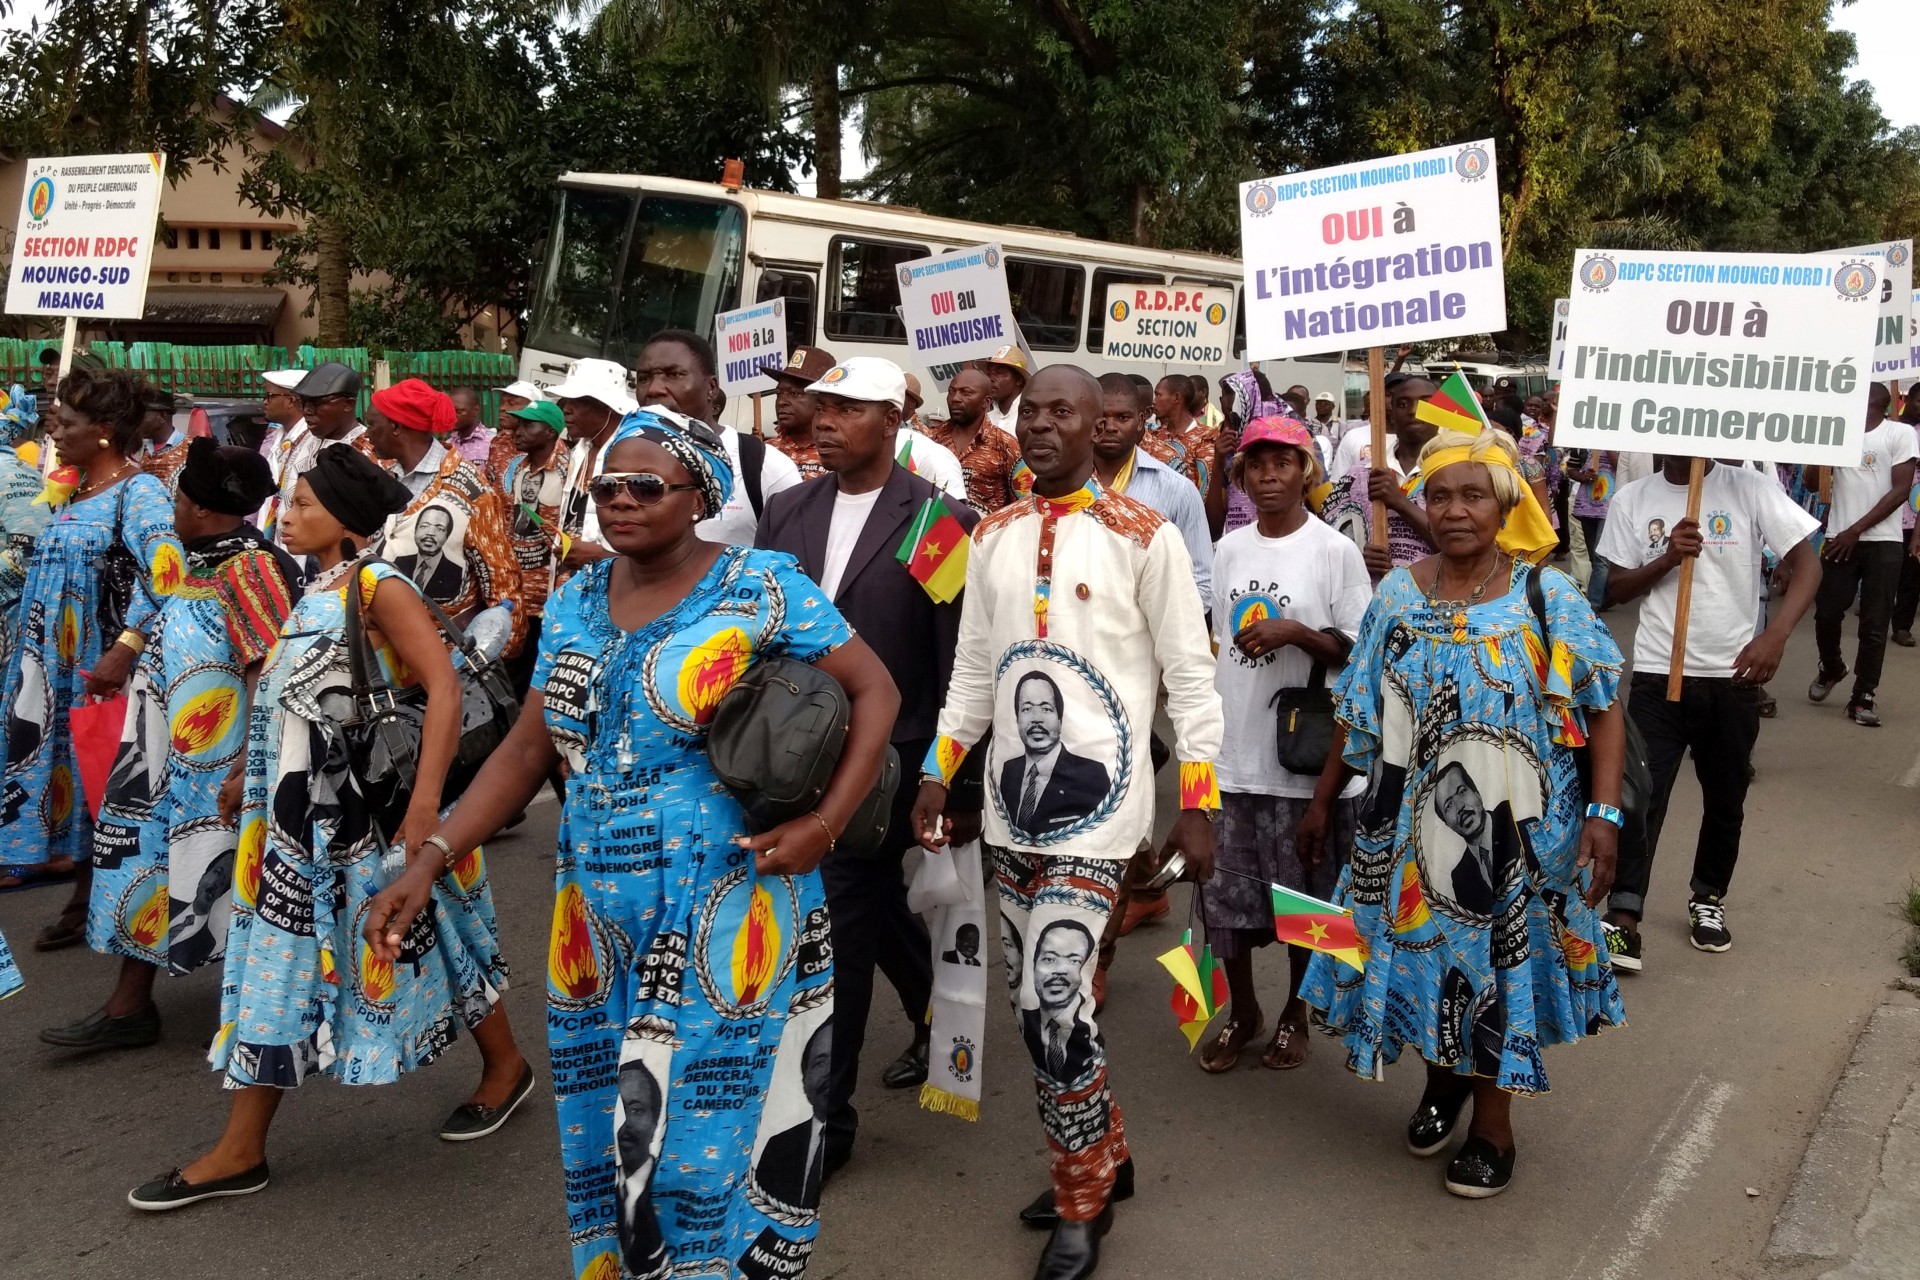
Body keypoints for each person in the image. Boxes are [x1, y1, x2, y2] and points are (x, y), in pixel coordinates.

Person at [360, 410, 899, 1280]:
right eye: (608, 486)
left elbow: (874, 690)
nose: (620, 500)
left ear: (699, 497)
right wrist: (431, 856)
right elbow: (529, 748)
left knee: (701, 1137)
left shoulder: (759, 584)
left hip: (724, 897)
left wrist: (825, 824)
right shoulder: (574, 598)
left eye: (646, 486)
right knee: (609, 1126)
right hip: (596, 917)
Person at [127, 444, 532, 1210]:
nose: (287, 514)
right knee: (440, 933)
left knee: (302, 955)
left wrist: (424, 808)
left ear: (347, 523)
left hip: (363, 814)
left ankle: (243, 1147)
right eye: (290, 501)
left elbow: (443, 689)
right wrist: (250, 774)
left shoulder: (380, 585)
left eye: (306, 505)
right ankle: (504, 1067)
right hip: (297, 818)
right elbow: (293, 693)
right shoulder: (321, 585)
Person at [912, 364, 1224, 1280]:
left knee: (1048, 1007)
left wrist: (1199, 803)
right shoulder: (995, 532)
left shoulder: (1146, 535)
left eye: (1062, 412)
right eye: (1032, 411)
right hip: (1010, 814)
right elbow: (973, 670)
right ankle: (1107, 1155)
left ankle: (1082, 1198)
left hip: (1103, 820)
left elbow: (1192, 678)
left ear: (1102, 427)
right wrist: (940, 770)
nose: (1041, 426)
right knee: (1059, 999)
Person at [1298, 426, 1627, 1199]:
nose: (1453, 510)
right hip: (1404, 825)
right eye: (1439, 494)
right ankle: (1442, 1083)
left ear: (1504, 503)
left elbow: (1604, 703)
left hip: (1517, 837)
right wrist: (1322, 803)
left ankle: (1493, 1127)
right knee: (1418, 956)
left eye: (1472, 494)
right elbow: (1359, 708)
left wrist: (1604, 815)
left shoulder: (1547, 595)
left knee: (1497, 967)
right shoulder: (1397, 594)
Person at [756, 354, 981, 1165]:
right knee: (865, 908)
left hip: (890, 759)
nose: (826, 421)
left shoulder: (937, 520)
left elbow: (961, 653)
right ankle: (934, 1006)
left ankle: (826, 1124)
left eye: (849, 410)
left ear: (894, 421)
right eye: (823, 407)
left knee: (843, 931)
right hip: (789, 756)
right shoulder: (787, 510)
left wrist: (950, 778)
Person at [41, 440, 296, 1052]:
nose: (172, 507)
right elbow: (154, 615)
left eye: (179, 498)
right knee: (145, 868)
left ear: (203, 510)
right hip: (159, 755)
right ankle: (130, 1009)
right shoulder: (193, 557)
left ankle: (273, 1013)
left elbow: (267, 668)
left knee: (237, 878)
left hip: (216, 766)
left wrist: (245, 765)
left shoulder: (251, 568)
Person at [1598, 454, 1820, 965]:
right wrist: (1666, 557)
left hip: (1732, 676)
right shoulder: (1633, 498)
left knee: (1725, 798)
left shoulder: (1750, 488)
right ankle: (1625, 915)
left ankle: (1708, 898)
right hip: (1659, 673)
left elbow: (1809, 564)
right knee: (1641, 796)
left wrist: (1776, 637)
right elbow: (1612, 589)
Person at [1198, 418, 1369, 1073]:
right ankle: (1244, 1013)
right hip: (1232, 753)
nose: (1269, 477)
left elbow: (1359, 653)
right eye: (1256, 466)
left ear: (1305, 471)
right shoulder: (1231, 548)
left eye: (1282, 465)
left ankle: (1297, 1014)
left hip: (1303, 760)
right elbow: (1219, 644)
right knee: (1227, 902)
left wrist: (1298, 632)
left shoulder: (1334, 551)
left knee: (1305, 903)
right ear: (1241, 476)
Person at [0, 369, 182, 925]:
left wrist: (125, 647)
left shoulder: (139, 490)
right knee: (71, 775)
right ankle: (83, 899)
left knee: (99, 777)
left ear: (104, 431)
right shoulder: (74, 487)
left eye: (71, 424)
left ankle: (112, 910)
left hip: (98, 665)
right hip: (47, 665)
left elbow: (169, 576)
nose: (57, 432)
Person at [363, 378, 523, 652]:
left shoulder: (470, 491)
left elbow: (501, 580)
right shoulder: (384, 476)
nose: (367, 434)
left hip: (443, 657)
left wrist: (493, 655)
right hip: (382, 651)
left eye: (372, 424)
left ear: (397, 427)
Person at [632, 329, 802, 546]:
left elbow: (795, 561)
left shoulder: (764, 465)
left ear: (711, 388)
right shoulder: (621, 461)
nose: (654, 389)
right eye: (644, 378)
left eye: (674, 375)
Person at [1810, 384, 1916, 726]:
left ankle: (1863, 695)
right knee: (1826, 613)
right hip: (1839, 537)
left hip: (1882, 541)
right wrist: (1817, 457)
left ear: (1878, 407)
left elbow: (1901, 489)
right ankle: (1832, 666)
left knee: (1874, 623)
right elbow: (1814, 484)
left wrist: (1856, 530)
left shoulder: (1897, 434)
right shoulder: (1837, 433)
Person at [1091, 372, 1212, 607]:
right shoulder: (1059, 484)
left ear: (1141, 420)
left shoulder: (1177, 489)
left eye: (1123, 417)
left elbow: (1202, 583)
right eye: (1102, 417)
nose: (1111, 427)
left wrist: (1151, 623)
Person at [1319, 374, 1441, 576]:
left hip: (1439, 600)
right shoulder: (1361, 473)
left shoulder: (1458, 470)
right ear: (1391, 415)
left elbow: (1465, 547)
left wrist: (1400, 502)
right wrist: (1356, 556)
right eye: (1402, 404)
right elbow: (1328, 537)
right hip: (1375, 600)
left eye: (1425, 403)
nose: (1413, 411)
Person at [496, 399, 571, 695]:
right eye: (519, 423)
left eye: (529, 425)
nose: (519, 431)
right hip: (519, 588)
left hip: (551, 592)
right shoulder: (519, 469)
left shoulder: (569, 470)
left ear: (551, 432)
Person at [262, 362, 374, 547]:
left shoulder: (365, 452)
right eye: (303, 403)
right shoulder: (300, 439)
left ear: (348, 404)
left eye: (316, 404)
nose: (307, 411)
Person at [549, 357, 640, 572]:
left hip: (614, 589)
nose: (566, 409)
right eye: (566, 401)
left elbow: (657, 544)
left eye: (577, 401)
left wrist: (601, 555)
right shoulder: (579, 451)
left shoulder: (635, 456)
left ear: (607, 406)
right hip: (570, 589)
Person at [927, 367, 1023, 516]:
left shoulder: (1007, 446)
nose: (955, 398)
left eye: (966, 393)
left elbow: (1022, 505)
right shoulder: (931, 440)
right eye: (952, 391)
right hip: (935, 536)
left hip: (986, 537)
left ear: (986, 401)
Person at [767, 345, 839, 479]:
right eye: (778, 393)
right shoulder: (765, 451)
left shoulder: (838, 455)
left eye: (794, 393)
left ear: (821, 400)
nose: (781, 401)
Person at [253, 369, 307, 527]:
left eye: (270, 396)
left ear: (291, 401)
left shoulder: (312, 439)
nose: (265, 402)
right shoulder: (272, 439)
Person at [1894, 390, 1920, 647]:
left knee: (1912, 575)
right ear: (1909, 400)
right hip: (1887, 513)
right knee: (1886, 571)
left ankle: (1902, 626)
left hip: (1915, 517)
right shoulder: (1894, 429)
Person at [485, 379, 546, 486]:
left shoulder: (544, 445)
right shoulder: (499, 439)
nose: (502, 408)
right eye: (502, 402)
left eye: (511, 403)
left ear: (531, 408)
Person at [138, 389, 188, 486]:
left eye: (142, 416)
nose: (137, 421)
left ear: (162, 416)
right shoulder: (137, 451)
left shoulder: (189, 450)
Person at [981, 345, 1028, 433]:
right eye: (989, 373)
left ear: (1019, 379)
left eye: (999, 372)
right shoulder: (985, 420)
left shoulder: (1030, 418)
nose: (991, 378)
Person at [445, 387, 495, 469]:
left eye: (458, 411)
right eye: (449, 411)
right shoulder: (448, 445)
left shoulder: (492, 442)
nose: (452, 416)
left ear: (475, 410)